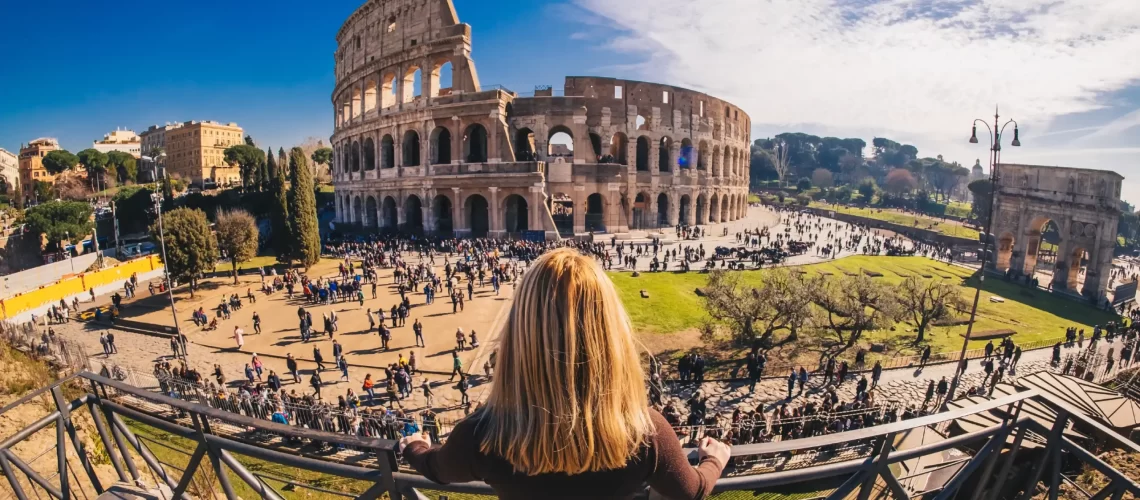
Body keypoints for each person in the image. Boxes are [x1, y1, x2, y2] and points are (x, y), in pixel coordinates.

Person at [401, 248, 729, 499]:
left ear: (519, 333)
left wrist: (413, 445)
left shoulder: (484, 434)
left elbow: (436, 469)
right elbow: (692, 490)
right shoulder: (646, 432)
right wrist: (713, 459)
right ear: (610, 333)